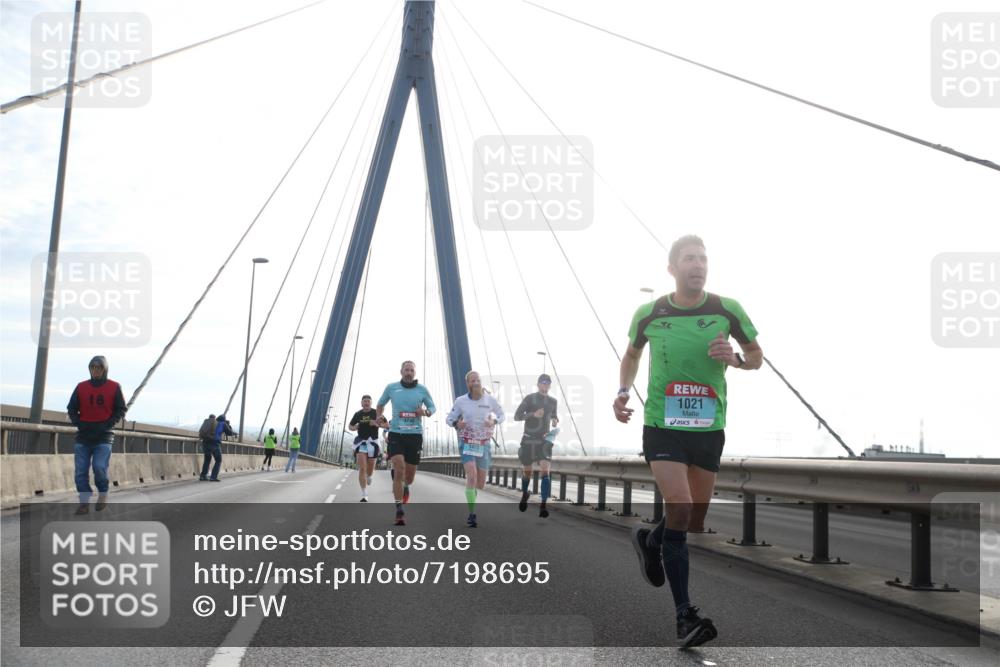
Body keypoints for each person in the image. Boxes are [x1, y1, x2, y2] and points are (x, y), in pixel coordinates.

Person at [615, 234, 762, 649]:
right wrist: (624, 391)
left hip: (708, 427)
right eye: (689, 259)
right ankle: (684, 616)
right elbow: (631, 355)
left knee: (692, 520)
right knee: (678, 506)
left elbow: (756, 357)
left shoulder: (726, 310)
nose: (697, 265)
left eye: (702, 259)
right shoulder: (650, 312)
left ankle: (651, 539)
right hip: (662, 424)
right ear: (672, 268)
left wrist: (734, 358)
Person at [376, 360, 436, 526]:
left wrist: (424, 412)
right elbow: (380, 404)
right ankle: (399, 509)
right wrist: (379, 416)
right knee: (399, 467)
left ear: (414, 373)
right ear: (401, 371)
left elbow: (433, 407)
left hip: (415, 435)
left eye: (411, 370)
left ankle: (406, 487)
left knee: (409, 477)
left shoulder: (422, 390)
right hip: (396, 433)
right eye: (406, 369)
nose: (409, 372)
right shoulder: (391, 387)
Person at [67, 355, 126, 514]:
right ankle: (84, 503)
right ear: (89, 369)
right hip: (84, 435)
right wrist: (79, 423)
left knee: (99, 467)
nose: (96, 370)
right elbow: (71, 408)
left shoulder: (114, 387)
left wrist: (108, 424)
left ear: (104, 369)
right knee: (80, 471)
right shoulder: (81, 387)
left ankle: (103, 493)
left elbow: (121, 409)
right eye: (93, 367)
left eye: (99, 367)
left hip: (104, 436)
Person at [445, 370, 505, 527]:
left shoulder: (490, 400)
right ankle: (472, 514)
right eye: (472, 381)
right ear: (468, 384)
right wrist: (456, 424)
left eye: (477, 380)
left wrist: (494, 421)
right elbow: (449, 418)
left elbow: (502, 415)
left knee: (480, 483)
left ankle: (473, 496)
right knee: (471, 475)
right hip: (467, 441)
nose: (476, 383)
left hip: (483, 443)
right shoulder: (460, 401)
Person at [513, 373, 559, 518]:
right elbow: (517, 416)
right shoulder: (529, 398)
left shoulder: (553, 401)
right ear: (538, 384)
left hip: (545, 440)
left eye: (548, 383)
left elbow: (554, 415)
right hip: (529, 439)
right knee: (528, 472)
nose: (545, 385)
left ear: (550, 385)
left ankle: (543, 505)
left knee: (546, 472)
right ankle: (525, 493)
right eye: (543, 382)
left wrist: (554, 420)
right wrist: (533, 414)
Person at [349, 395, 380, 501]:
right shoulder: (357, 414)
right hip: (361, 442)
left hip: (373, 442)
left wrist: (376, 423)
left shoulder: (376, 413)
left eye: (368, 401)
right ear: (361, 403)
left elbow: (386, 424)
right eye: (364, 401)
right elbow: (350, 426)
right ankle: (364, 494)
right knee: (362, 468)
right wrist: (355, 427)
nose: (366, 403)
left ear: (371, 403)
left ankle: (370, 475)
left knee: (370, 469)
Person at [202, 413, 232, 481]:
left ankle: (203, 476)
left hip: (205, 442)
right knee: (218, 460)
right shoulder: (223, 424)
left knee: (207, 459)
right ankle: (213, 477)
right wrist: (228, 425)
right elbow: (230, 433)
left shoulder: (213, 423)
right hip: (214, 444)